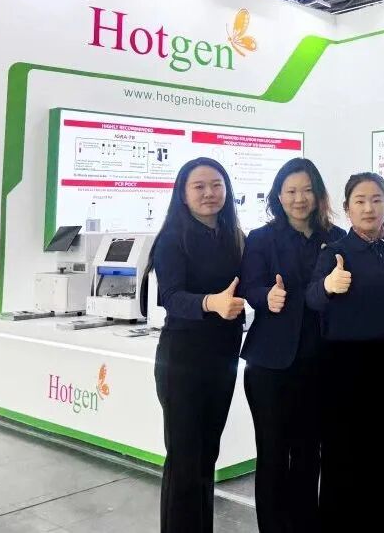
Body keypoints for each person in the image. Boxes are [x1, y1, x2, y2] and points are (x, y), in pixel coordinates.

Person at [307, 172, 384, 533]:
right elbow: (312, 298)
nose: (369, 208)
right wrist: (328, 285)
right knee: (347, 449)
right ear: (347, 208)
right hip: (347, 365)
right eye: (360, 201)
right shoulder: (335, 252)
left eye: (376, 199)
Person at [240, 158, 343, 533]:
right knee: (272, 454)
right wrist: (266, 296)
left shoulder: (336, 237)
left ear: (318, 195)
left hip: (322, 362)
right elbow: (250, 286)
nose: (300, 199)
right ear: (279, 196)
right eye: (291, 191)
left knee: (309, 453)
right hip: (271, 363)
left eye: (307, 190)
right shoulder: (261, 238)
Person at [151, 157, 246, 533]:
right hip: (183, 359)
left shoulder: (234, 236)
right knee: (185, 460)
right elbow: (171, 297)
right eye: (199, 186)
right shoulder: (172, 238)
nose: (209, 193)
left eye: (217, 185)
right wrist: (211, 303)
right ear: (183, 193)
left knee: (207, 455)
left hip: (222, 357)